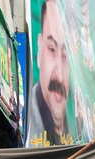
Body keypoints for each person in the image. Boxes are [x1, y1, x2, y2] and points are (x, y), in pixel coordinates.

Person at [28, 0, 71, 146]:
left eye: (66, 56)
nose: (59, 75)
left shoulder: (76, 130)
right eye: (52, 50)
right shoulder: (26, 120)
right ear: (39, 51)